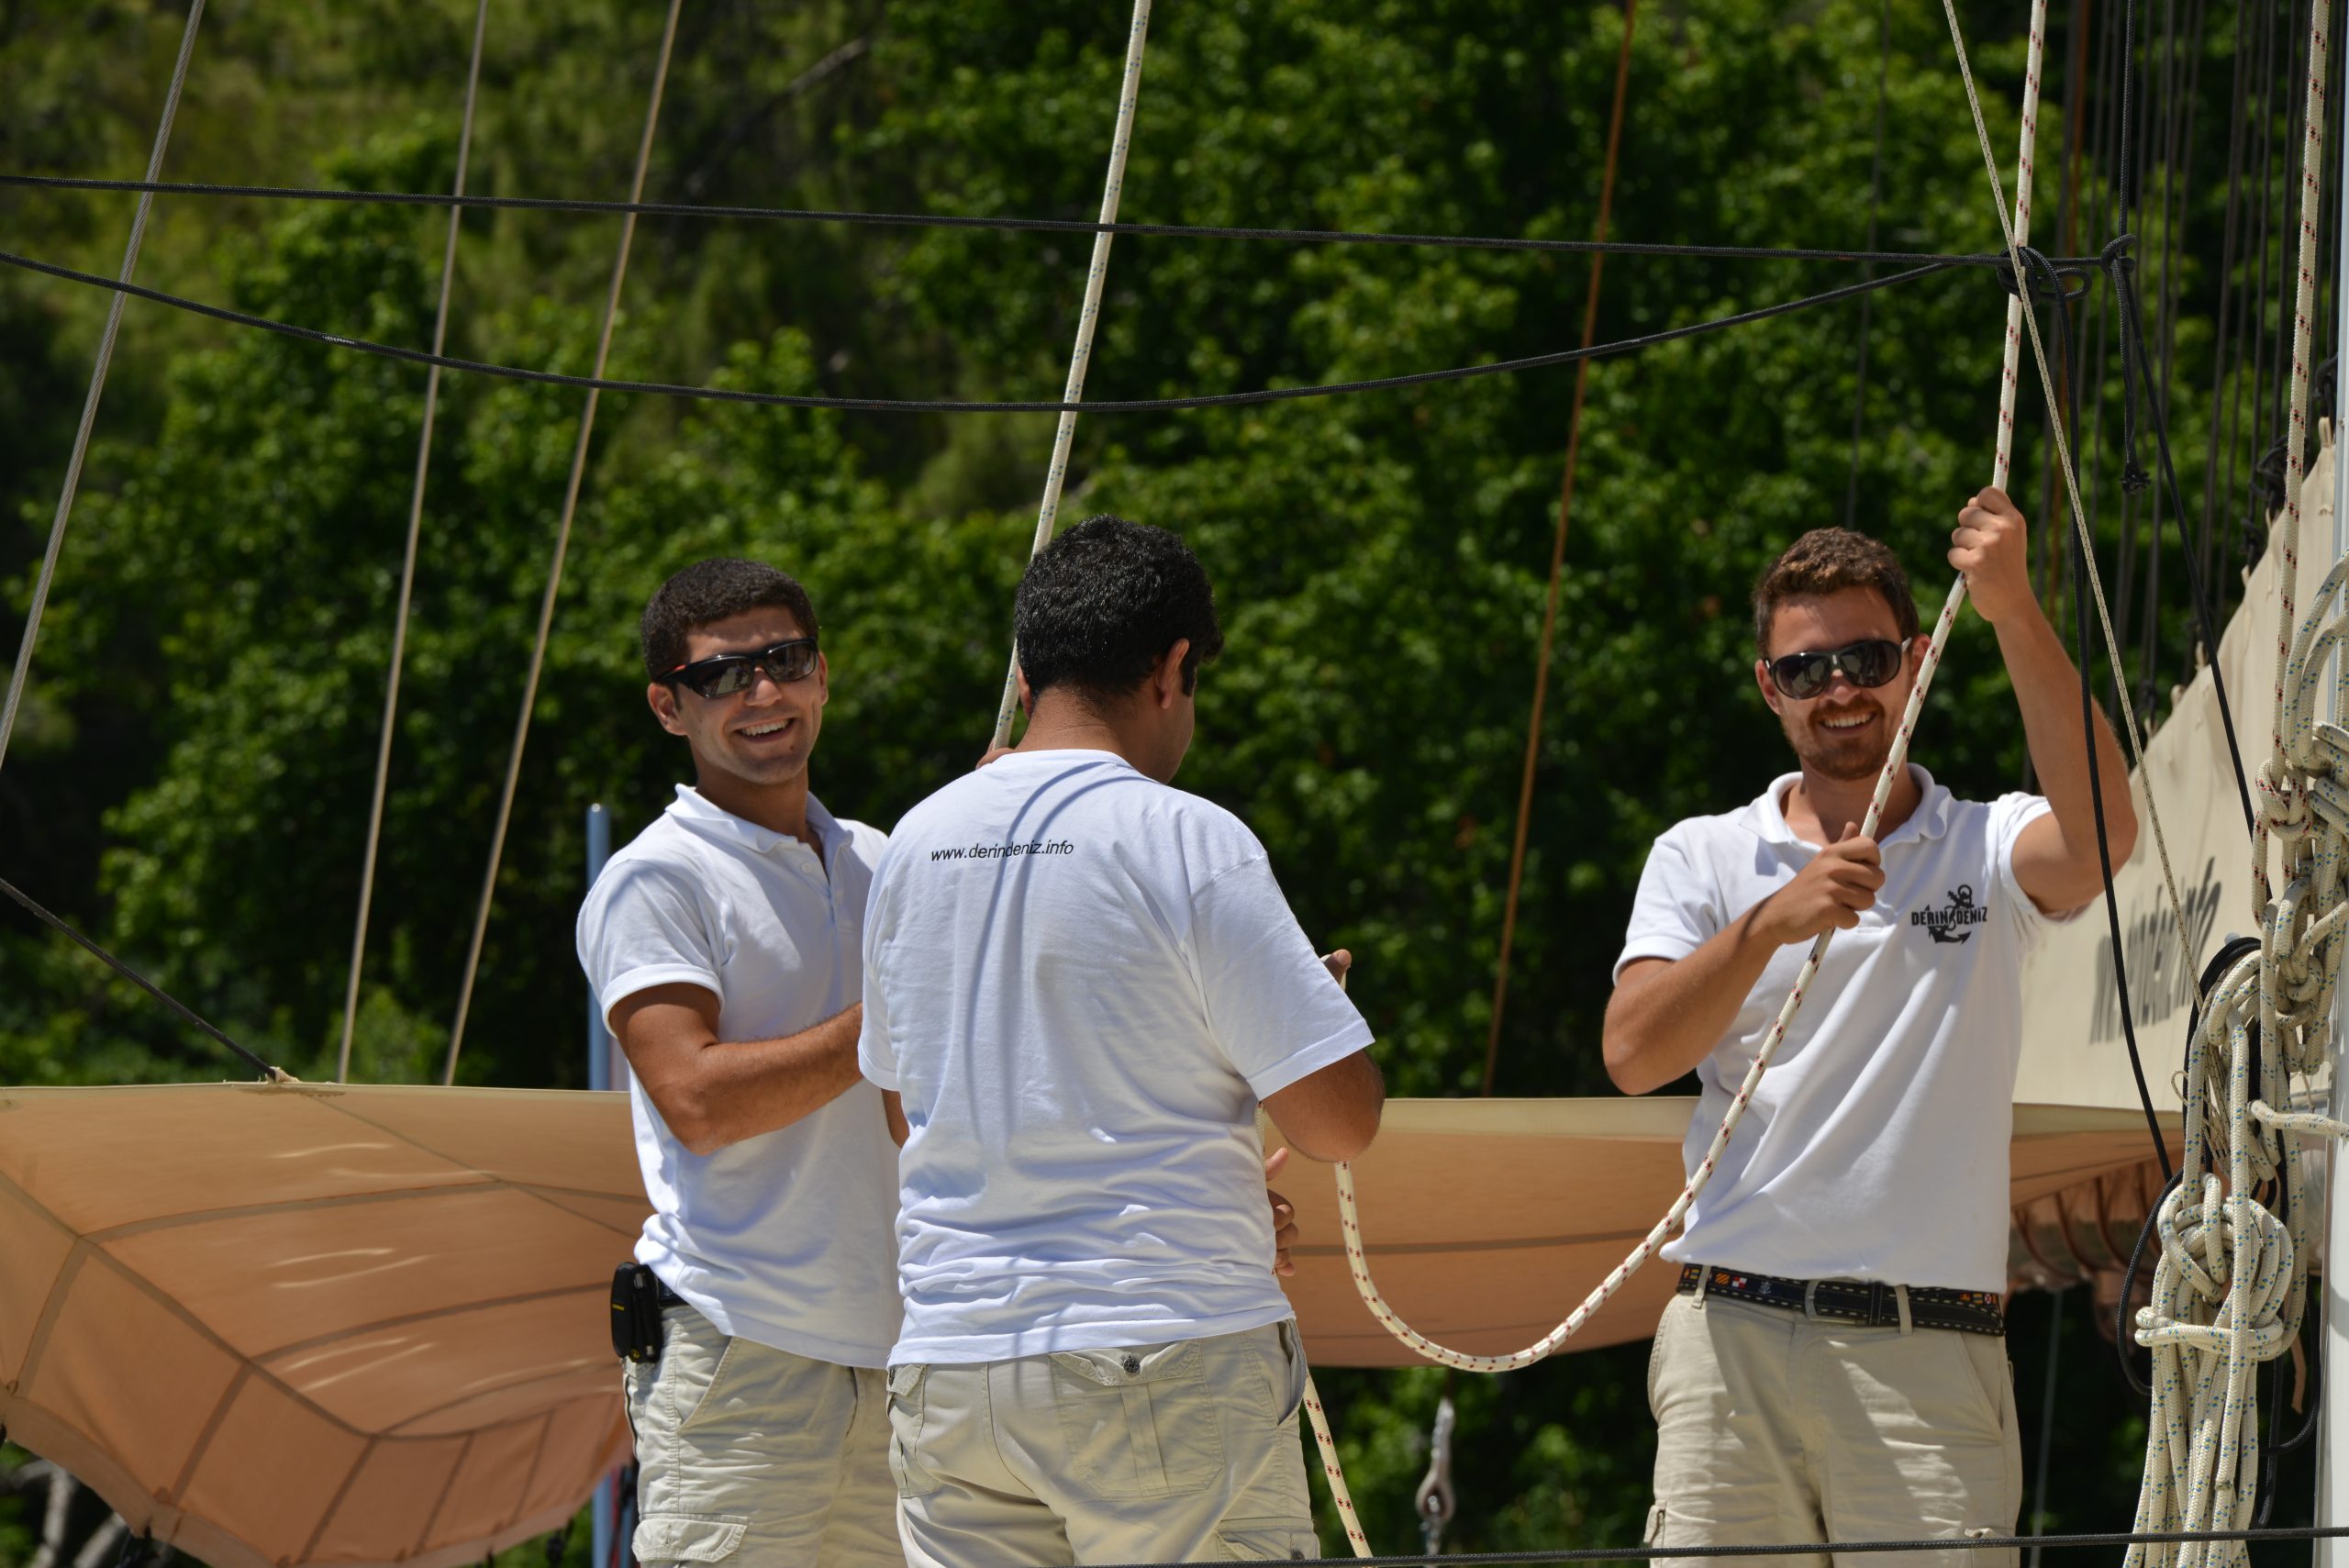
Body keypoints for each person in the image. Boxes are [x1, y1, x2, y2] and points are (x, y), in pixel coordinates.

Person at [1602, 492, 2139, 1567]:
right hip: (1730, 1339)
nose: (1837, 688)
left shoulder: (1986, 843)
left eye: (1863, 658)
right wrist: (1770, 922)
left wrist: (2015, 609)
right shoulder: (1700, 855)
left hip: (1926, 1349)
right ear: (1769, 690)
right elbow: (1634, 1053)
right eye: (1805, 670)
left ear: (1915, 657)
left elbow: (2102, 840)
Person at [856, 515, 1386, 1568]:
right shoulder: (1187, 834)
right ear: (1171, 667)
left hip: (952, 1364)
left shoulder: (914, 839)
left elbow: (902, 1106)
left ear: (1025, 674)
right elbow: (1341, 1122)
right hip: (1161, 1346)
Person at [575, 558, 901, 1568]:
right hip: (740, 1355)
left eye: (783, 660)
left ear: (823, 674)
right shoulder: (656, 880)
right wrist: (894, 1007)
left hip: (907, 1355)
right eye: (722, 676)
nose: (761, 692)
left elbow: (922, 1107)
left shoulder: (889, 859)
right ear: (668, 705)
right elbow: (699, 1102)